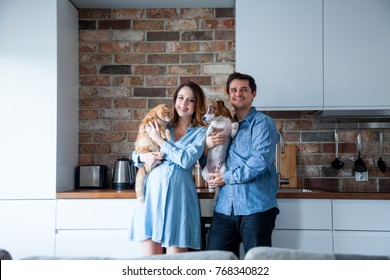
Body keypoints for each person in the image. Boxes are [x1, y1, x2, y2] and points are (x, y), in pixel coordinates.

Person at [205, 72, 280, 258]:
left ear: (253, 93)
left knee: (258, 266)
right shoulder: (223, 125)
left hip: (256, 208)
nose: (238, 93)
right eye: (234, 90)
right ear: (229, 95)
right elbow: (211, 156)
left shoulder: (262, 123)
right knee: (214, 262)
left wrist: (225, 177)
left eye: (244, 89)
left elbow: (260, 161)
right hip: (224, 208)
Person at [129, 81, 207, 255]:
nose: (184, 104)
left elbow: (186, 160)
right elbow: (136, 154)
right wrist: (144, 157)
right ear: (175, 100)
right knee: (150, 265)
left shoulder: (200, 133)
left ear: (197, 104)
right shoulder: (162, 125)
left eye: (190, 100)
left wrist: (160, 142)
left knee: (175, 264)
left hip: (179, 199)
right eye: (180, 98)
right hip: (152, 196)